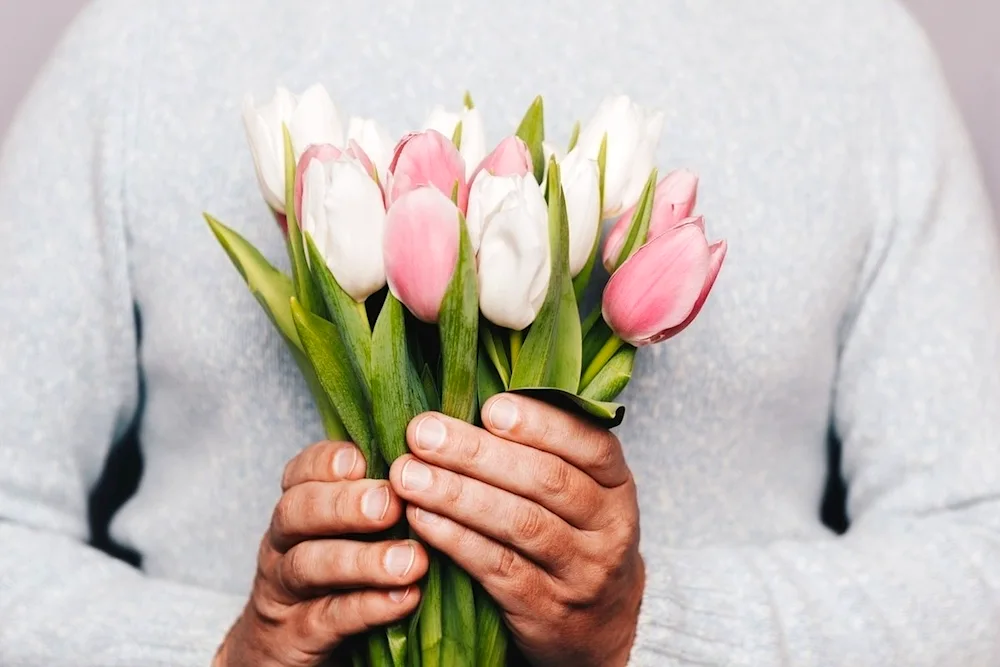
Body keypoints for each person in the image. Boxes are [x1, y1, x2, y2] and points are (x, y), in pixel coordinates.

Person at [1, 0, 998, 665]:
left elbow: (980, 550)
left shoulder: (847, 47)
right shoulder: (151, 35)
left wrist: (647, 629)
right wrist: (224, 655)